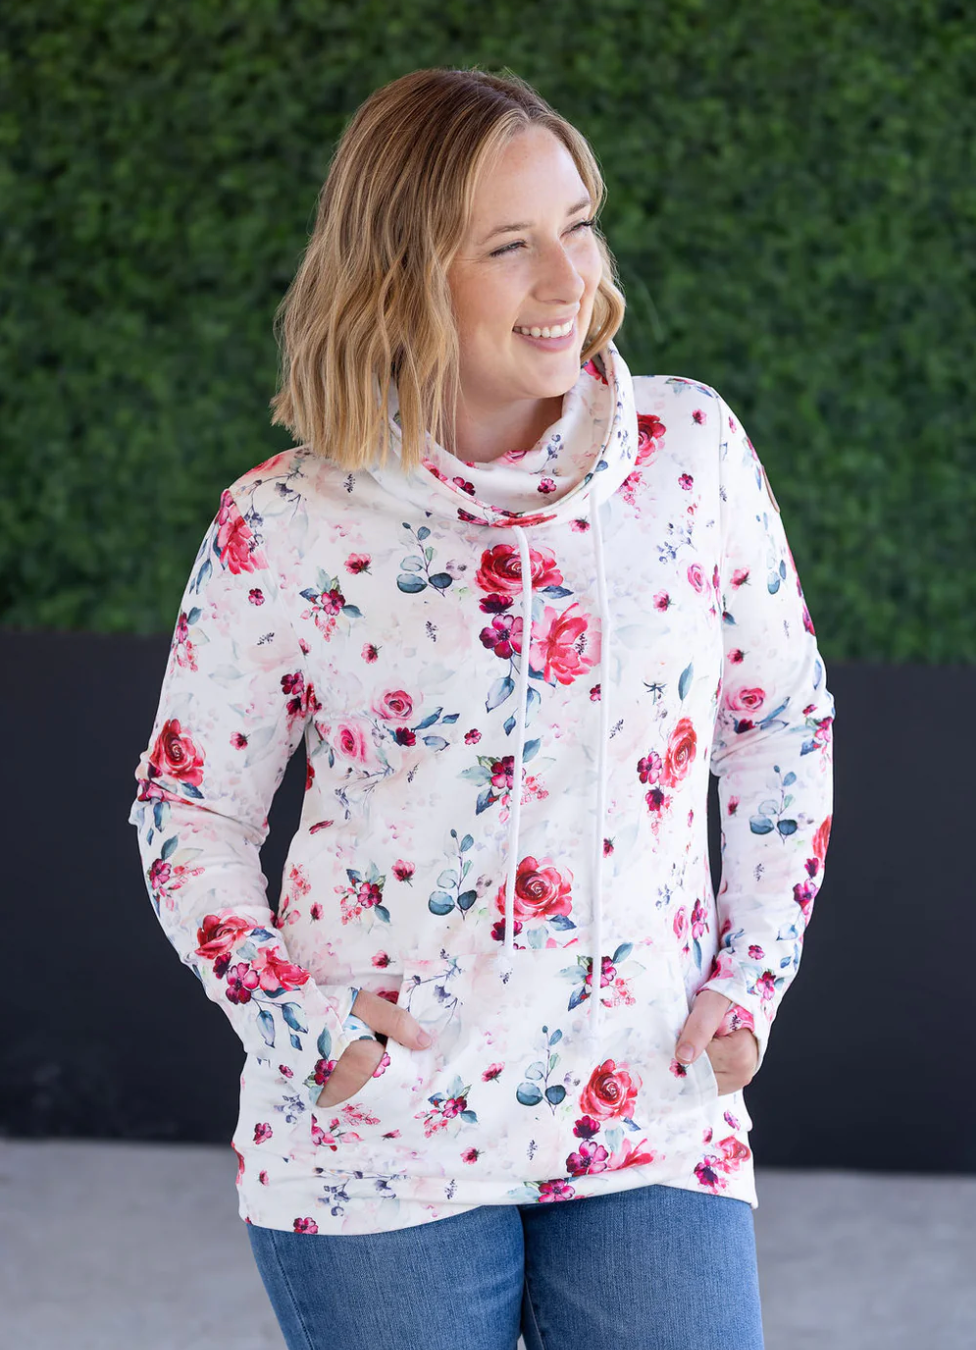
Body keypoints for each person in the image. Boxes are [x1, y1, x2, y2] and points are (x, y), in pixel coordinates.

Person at [127, 65, 834, 1350]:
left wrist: (750, 975)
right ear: (401, 274)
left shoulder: (692, 456)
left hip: (647, 1114)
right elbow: (191, 806)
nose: (568, 279)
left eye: (578, 226)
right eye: (509, 246)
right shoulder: (284, 522)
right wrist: (297, 1021)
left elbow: (777, 722)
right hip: (377, 1139)